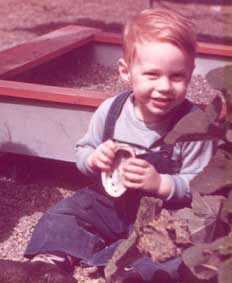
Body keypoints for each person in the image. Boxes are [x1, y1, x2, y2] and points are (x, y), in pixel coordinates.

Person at [1, 8, 215, 283]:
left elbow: (201, 185)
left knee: (181, 241)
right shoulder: (110, 110)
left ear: (191, 73)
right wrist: (93, 160)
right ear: (126, 72)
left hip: (163, 213)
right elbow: (83, 151)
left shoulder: (194, 125)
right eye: (152, 75)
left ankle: (128, 275)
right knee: (66, 213)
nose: (164, 87)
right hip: (110, 204)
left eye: (177, 77)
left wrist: (162, 183)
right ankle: (47, 267)